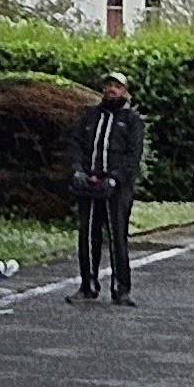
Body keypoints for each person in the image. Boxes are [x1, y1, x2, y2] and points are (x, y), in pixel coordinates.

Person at [72, 75, 144, 302]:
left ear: (125, 92)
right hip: (90, 183)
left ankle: (121, 289)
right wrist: (78, 171)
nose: (112, 89)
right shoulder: (90, 116)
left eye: (117, 86)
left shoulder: (132, 121)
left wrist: (115, 178)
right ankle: (88, 286)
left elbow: (133, 155)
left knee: (117, 237)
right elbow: (75, 145)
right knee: (87, 236)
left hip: (117, 188)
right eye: (109, 85)